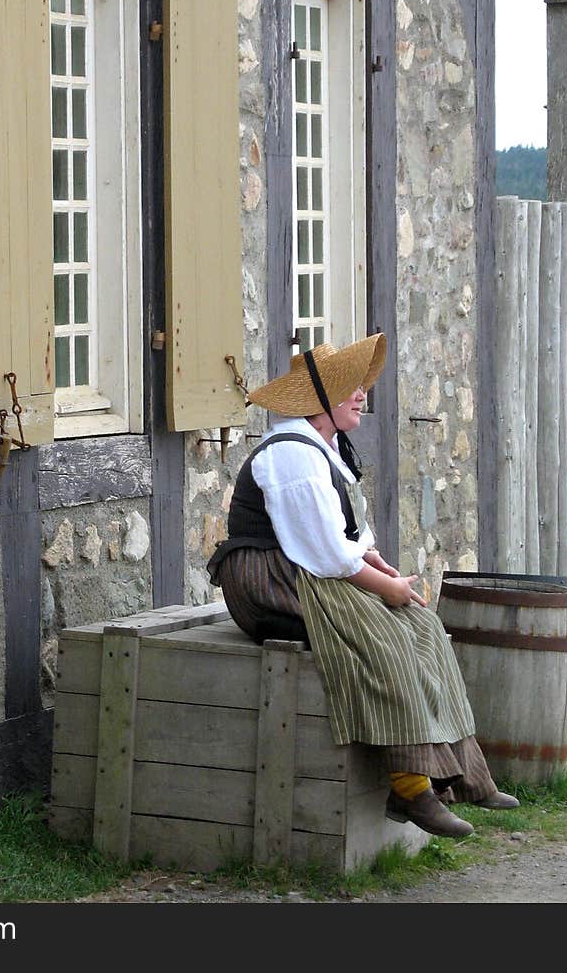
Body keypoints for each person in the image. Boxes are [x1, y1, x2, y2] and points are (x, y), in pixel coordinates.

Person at [207, 332, 519, 839]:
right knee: (384, 636)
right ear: (319, 400)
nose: (361, 395)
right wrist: (381, 587)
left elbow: (345, 535)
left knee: (422, 627)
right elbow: (324, 554)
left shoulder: (324, 449)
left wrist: (380, 566)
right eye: (350, 387)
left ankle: (467, 776)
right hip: (267, 579)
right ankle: (412, 787)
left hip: (304, 570)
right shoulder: (293, 456)